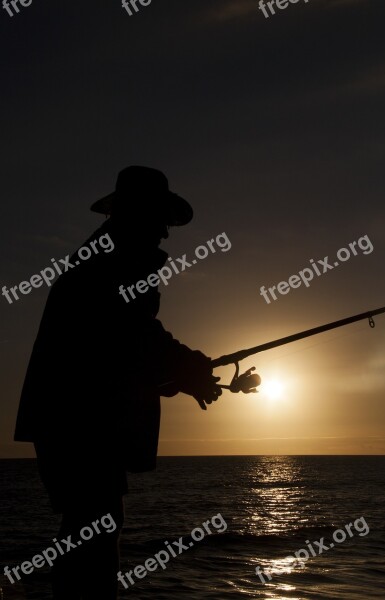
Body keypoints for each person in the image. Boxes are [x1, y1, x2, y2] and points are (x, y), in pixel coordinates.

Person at [14, 166, 222, 599]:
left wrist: (184, 376)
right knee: (94, 537)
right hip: (80, 424)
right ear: (138, 214)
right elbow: (134, 337)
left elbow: (120, 350)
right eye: (160, 220)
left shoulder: (102, 258)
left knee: (88, 532)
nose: (165, 233)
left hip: (70, 420)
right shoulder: (115, 263)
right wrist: (190, 368)